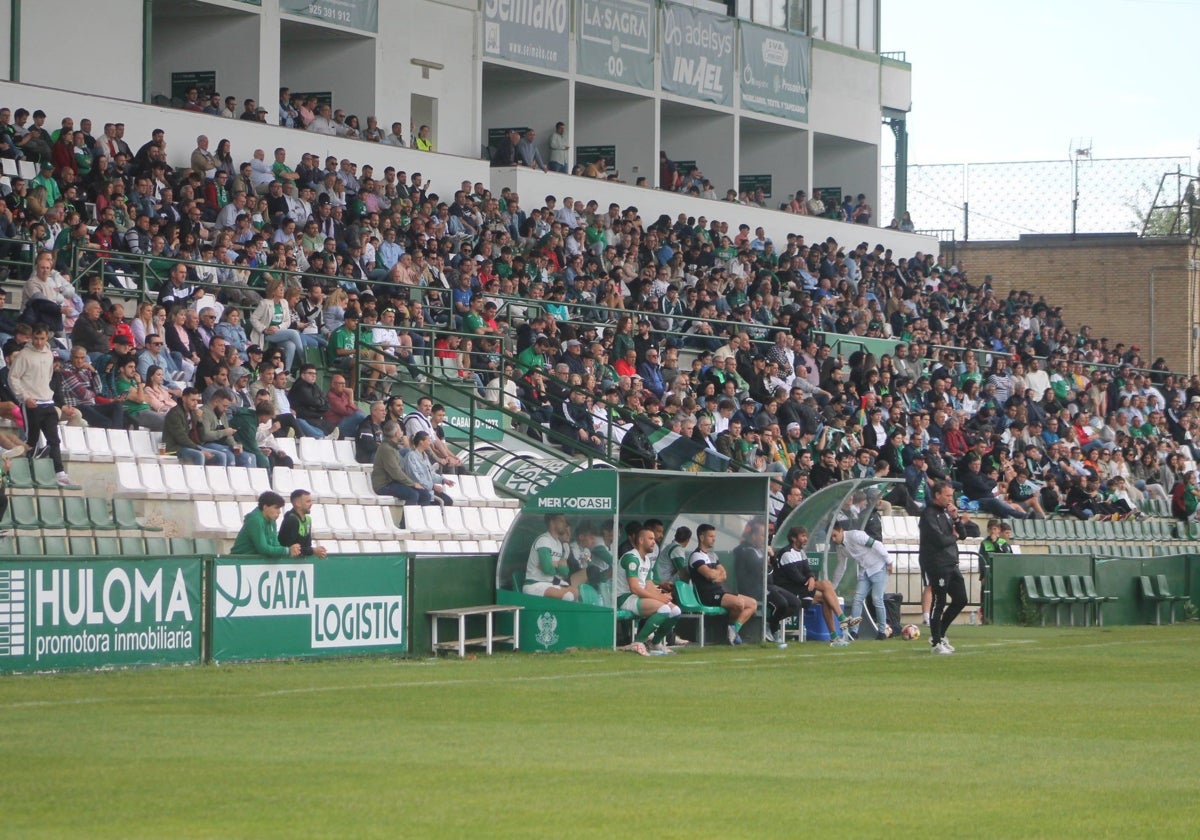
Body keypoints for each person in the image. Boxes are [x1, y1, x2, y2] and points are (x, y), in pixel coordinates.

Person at [772, 526, 858, 647]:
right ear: (793, 538)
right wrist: (810, 580)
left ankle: (834, 637)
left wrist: (811, 578)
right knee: (826, 584)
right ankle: (842, 618)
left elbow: (808, 570)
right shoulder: (787, 553)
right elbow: (795, 578)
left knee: (825, 598)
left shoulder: (801, 552)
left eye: (806, 536)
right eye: (802, 536)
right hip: (789, 591)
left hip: (801, 588)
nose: (806, 539)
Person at [8, 324, 72, 486]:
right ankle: (27, 470)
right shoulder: (24, 355)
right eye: (35, 338)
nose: (38, 342)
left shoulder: (49, 354)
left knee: (54, 440)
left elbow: (48, 376)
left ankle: (60, 472)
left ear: (46, 338)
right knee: (32, 440)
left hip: (47, 402)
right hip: (32, 404)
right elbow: (13, 377)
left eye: (42, 338)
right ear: (31, 337)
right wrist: (25, 397)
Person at [919, 481, 970, 655]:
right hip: (936, 563)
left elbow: (962, 535)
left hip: (951, 561)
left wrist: (956, 518)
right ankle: (935, 642)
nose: (950, 499)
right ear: (937, 495)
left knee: (961, 599)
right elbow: (940, 541)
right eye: (947, 495)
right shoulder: (928, 515)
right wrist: (954, 536)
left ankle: (941, 634)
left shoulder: (947, 513)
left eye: (951, 495)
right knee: (939, 602)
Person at [615, 523, 682, 654]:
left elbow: (649, 584)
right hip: (625, 598)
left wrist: (663, 597)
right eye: (650, 539)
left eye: (653, 539)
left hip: (638, 598)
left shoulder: (646, 560)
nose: (654, 541)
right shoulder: (631, 558)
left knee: (676, 611)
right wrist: (659, 598)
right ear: (641, 540)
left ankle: (655, 643)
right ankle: (638, 642)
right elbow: (634, 588)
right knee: (663, 609)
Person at [688, 523, 757, 645]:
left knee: (752, 604)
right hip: (708, 595)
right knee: (739, 603)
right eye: (710, 536)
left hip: (720, 592)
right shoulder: (696, 556)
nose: (714, 539)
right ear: (701, 537)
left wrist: (715, 576)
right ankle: (731, 631)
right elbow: (709, 575)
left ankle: (733, 631)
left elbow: (724, 574)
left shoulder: (712, 555)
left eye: (714, 536)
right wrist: (714, 575)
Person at [830, 522, 892, 640]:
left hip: (879, 567)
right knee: (857, 599)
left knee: (877, 599)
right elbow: (841, 567)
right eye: (831, 537)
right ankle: (854, 632)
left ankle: (882, 631)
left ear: (841, 530)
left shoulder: (855, 535)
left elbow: (876, 544)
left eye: (835, 535)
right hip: (865, 570)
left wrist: (889, 561)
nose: (834, 539)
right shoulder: (840, 547)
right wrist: (833, 586)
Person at [522, 513, 579, 601]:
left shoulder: (559, 544)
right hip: (535, 584)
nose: (565, 524)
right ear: (552, 523)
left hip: (550, 583)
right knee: (568, 596)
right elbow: (547, 569)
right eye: (561, 521)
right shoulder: (544, 540)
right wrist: (557, 565)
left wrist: (555, 565)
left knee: (575, 592)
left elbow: (564, 572)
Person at [372, 420, 429, 505]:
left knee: (425, 494)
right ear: (396, 434)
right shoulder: (387, 449)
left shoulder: (393, 447)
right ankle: (406, 518)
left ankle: (419, 517)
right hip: (384, 485)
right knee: (413, 494)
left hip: (394, 482)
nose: (402, 432)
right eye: (400, 430)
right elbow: (396, 473)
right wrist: (413, 484)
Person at [230, 490, 301, 558]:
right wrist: (287, 550)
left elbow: (275, 545)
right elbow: (263, 549)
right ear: (265, 507)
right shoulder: (255, 520)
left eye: (279, 508)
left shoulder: (272, 520)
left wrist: (291, 550)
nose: (279, 512)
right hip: (239, 561)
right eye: (276, 508)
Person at [277, 489, 328, 559]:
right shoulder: (291, 519)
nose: (311, 504)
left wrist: (315, 551)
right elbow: (290, 548)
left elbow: (307, 545)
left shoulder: (308, 519)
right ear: (298, 503)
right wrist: (313, 551)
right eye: (308, 501)